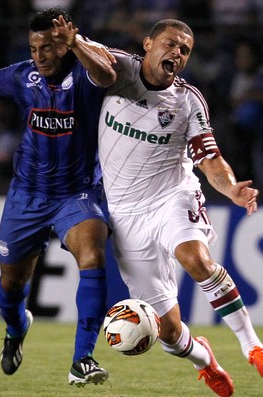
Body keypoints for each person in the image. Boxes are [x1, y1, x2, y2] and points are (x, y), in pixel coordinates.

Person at [97, 19, 263, 397]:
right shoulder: (116, 70)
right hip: (124, 216)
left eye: (185, 50)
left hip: (171, 196)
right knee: (168, 333)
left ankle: (252, 345)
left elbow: (210, 158)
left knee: (195, 258)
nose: (177, 53)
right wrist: (72, 40)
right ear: (149, 44)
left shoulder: (188, 101)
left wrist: (232, 188)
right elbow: (88, 58)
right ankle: (204, 359)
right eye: (171, 44)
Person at [0, 7, 116, 386]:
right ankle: (16, 329)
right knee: (12, 286)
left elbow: (108, 75)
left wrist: (77, 42)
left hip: (77, 193)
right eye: (34, 48)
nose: (40, 56)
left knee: (93, 253)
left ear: (64, 45)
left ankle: (83, 359)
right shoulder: (22, 76)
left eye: (48, 47)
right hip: (26, 196)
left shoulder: (86, 73)